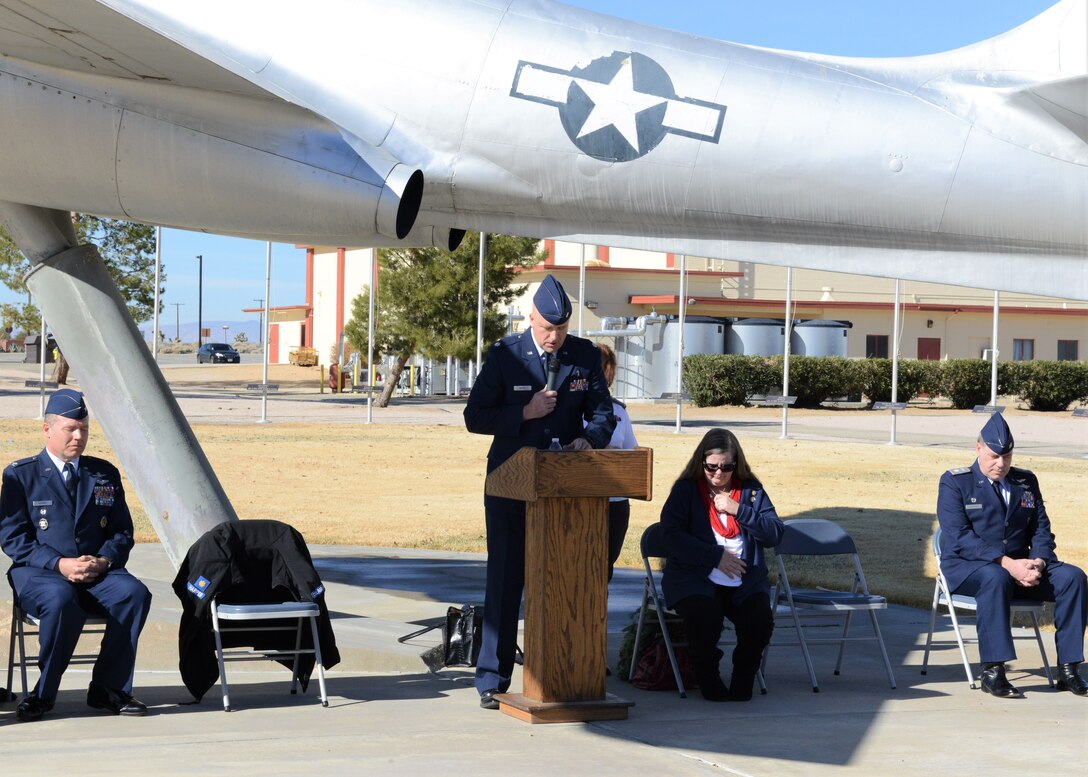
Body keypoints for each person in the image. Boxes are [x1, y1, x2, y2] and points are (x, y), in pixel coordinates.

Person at [464, 274, 615, 710]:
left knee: (563, 576)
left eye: (561, 330)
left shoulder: (584, 356)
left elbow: (603, 414)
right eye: (548, 329)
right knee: (507, 576)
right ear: (531, 317)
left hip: (564, 485)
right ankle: (492, 678)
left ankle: (561, 670)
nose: (554, 338)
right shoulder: (506, 356)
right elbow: (475, 416)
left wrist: (590, 440)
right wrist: (524, 412)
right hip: (511, 481)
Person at [0, 389, 152, 721]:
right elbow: (13, 537)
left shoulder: (103, 473)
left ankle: (108, 689)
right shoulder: (20, 475)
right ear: (47, 430)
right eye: (70, 429)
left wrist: (104, 561)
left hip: (96, 570)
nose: (78, 436)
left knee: (134, 593)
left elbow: (121, 531)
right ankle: (43, 694)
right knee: (59, 597)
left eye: (83, 428)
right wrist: (59, 563)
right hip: (40, 572)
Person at [936, 412, 1087, 698]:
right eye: (994, 456)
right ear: (978, 448)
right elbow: (960, 538)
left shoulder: (1025, 481)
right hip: (970, 568)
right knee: (995, 577)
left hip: (1019, 566)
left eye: (1006, 457)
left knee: (1073, 577)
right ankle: (993, 671)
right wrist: (1008, 565)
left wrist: (1039, 562)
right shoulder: (955, 482)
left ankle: (1068, 669)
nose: (1001, 464)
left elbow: (1041, 530)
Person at [659, 428, 784, 701]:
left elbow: (774, 533)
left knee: (759, 622)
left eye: (726, 467)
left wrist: (739, 510)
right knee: (705, 618)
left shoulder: (750, 491)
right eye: (711, 466)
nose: (718, 473)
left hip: (744, 581)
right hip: (696, 579)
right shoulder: (686, 490)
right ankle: (709, 680)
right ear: (700, 462)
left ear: (736, 463)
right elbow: (670, 536)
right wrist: (715, 556)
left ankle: (743, 679)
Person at [595, 342, 637, 581]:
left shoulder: (619, 411)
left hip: (615, 503)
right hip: (579, 501)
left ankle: (599, 618)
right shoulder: (568, 408)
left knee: (603, 571)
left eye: (604, 368)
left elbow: (632, 452)